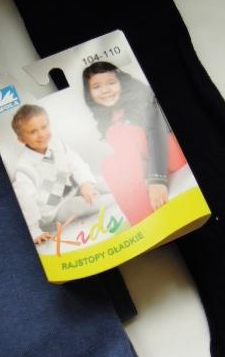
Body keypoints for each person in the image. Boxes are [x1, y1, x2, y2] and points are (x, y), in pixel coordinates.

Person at [82, 61, 187, 225]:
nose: (105, 90)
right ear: (89, 93)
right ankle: (143, 223)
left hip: (170, 151)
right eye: (96, 86)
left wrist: (157, 179)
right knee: (108, 164)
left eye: (111, 82)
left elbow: (156, 134)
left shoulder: (141, 98)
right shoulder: (107, 118)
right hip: (146, 161)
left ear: (121, 82)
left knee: (118, 133)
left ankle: (145, 217)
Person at [11, 103, 112, 244]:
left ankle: (129, 186)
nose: (41, 134)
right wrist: (34, 230)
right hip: (56, 208)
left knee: (103, 181)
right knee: (82, 204)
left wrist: (85, 183)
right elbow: (25, 199)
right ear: (22, 139)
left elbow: (75, 162)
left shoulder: (56, 144)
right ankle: (117, 198)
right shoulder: (24, 168)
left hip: (73, 187)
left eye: (44, 127)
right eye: (33, 132)